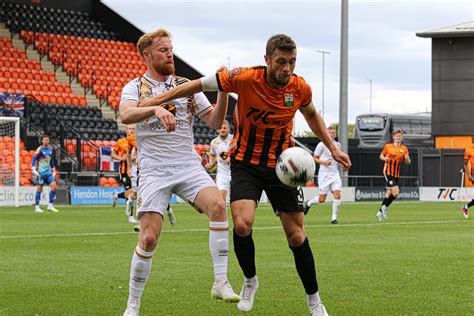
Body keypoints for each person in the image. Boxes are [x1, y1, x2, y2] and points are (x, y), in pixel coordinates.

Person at [137, 33, 352, 316]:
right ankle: (250, 281)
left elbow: (311, 115)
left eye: (292, 62)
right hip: (246, 164)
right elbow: (196, 85)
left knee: (297, 236)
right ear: (267, 60)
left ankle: (314, 300)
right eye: (281, 62)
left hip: (281, 167)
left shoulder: (299, 87)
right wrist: (158, 99)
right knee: (241, 224)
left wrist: (332, 148)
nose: (287, 68)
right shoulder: (246, 77)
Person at [119, 29, 239, 316]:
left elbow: (214, 121)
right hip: (153, 170)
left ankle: (220, 281)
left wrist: (222, 91)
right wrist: (155, 109)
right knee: (148, 239)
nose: (169, 54)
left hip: (187, 164)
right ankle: (133, 303)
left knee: (218, 205)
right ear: (147, 55)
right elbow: (125, 115)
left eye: (170, 49)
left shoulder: (187, 86)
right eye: (163, 50)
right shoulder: (134, 87)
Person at [126, 125, 176, 230]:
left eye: (132, 129)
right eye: (129, 129)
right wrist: (129, 167)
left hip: (158, 168)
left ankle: (169, 210)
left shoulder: (156, 135)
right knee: (141, 194)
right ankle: (140, 222)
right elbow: (128, 153)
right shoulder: (131, 139)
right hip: (142, 169)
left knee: (159, 193)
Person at [304, 126, 343, 224]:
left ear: (335, 134)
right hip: (324, 174)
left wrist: (341, 163)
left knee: (337, 194)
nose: (331, 134)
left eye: (333, 133)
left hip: (335, 174)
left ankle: (334, 219)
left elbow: (338, 158)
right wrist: (324, 162)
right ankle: (309, 203)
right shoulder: (321, 145)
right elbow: (314, 158)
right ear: (326, 133)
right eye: (329, 132)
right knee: (322, 199)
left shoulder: (338, 145)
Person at [377, 129, 410, 222]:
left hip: (396, 173)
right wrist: (385, 159)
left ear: (402, 138)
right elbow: (381, 156)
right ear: (394, 137)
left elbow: (408, 162)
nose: (398, 137)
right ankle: (384, 207)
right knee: (396, 193)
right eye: (396, 136)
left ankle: (379, 213)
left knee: (389, 193)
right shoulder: (388, 146)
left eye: (400, 136)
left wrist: (407, 159)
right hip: (388, 172)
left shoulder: (404, 149)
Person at [111, 126, 137, 224]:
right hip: (124, 171)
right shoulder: (120, 142)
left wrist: (131, 158)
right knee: (130, 192)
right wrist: (120, 158)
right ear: (126, 130)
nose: (131, 130)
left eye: (133, 129)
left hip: (135, 171)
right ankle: (130, 216)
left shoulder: (136, 141)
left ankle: (117, 195)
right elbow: (113, 154)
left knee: (134, 193)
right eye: (129, 129)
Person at [205, 120, 233, 201]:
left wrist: (231, 159)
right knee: (221, 198)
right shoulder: (214, 142)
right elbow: (212, 155)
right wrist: (210, 163)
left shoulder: (235, 140)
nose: (222, 130)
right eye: (220, 128)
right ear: (217, 129)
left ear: (229, 129)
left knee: (236, 200)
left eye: (225, 128)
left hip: (235, 172)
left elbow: (242, 153)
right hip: (222, 174)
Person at [31, 134, 59, 213]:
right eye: (44, 140)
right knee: (40, 189)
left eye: (47, 140)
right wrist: (33, 168)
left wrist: (53, 169)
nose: (46, 141)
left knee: (54, 186)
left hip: (48, 173)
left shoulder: (50, 149)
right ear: (42, 141)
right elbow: (34, 159)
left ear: (48, 141)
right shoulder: (40, 149)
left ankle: (50, 205)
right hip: (41, 173)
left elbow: (51, 160)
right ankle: (37, 207)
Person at [462, 147, 474, 219]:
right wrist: (469, 175)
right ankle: (466, 207)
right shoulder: (469, 151)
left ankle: (466, 207)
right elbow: (464, 165)